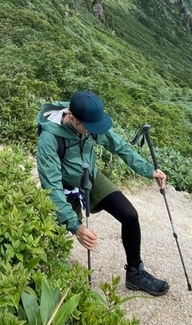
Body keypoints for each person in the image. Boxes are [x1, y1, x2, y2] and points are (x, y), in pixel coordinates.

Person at [36, 90, 170, 296]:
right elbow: (52, 187)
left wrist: (149, 170)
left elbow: (120, 147)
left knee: (129, 215)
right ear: (72, 118)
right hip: (62, 185)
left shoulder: (90, 123)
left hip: (90, 176)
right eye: (88, 128)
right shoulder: (49, 138)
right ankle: (54, 282)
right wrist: (76, 227)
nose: (92, 132)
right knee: (55, 234)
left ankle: (135, 273)